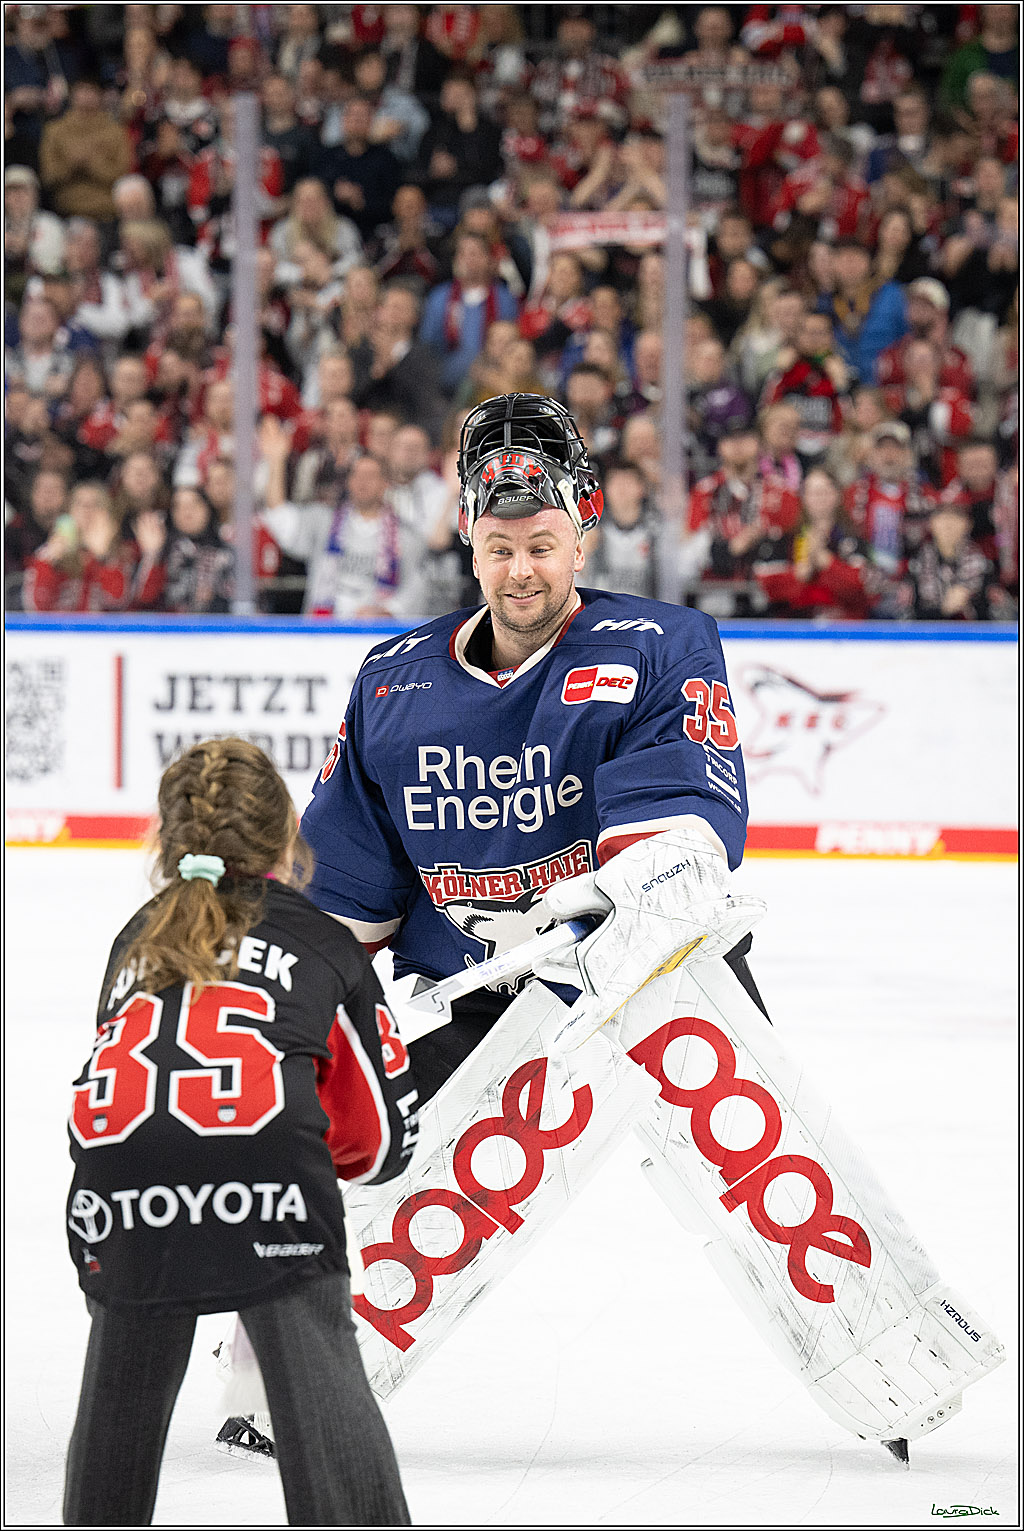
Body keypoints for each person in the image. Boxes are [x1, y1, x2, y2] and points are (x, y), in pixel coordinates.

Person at [299, 392, 762, 1104]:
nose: (521, 571)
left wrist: (623, 897)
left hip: (657, 985)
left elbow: (681, 849)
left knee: (770, 1180)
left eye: (542, 547)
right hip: (481, 1001)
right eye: (501, 549)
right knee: (357, 1174)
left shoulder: (661, 648)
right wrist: (287, 1008)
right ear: (469, 544)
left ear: (582, 538)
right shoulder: (392, 683)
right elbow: (343, 890)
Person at [64, 737, 417, 1527]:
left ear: (165, 840)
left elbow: (122, 1094)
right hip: (268, 1185)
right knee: (324, 1399)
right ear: (291, 833)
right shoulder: (324, 940)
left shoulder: (134, 939)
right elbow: (384, 1140)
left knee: (118, 1400)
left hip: (115, 1196)